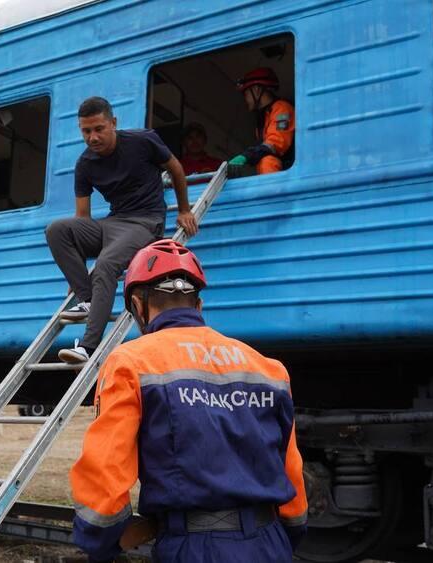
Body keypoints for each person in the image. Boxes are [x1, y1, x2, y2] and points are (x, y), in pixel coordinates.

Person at [69, 239, 308, 562]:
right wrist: (287, 534)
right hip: (270, 541)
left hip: (194, 548)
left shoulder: (131, 362)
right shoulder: (268, 368)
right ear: (198, 306)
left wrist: (98, 540)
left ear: (139, 306)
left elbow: (105, 475)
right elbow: (291, 470)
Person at [46, 96, 198, 364]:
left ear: (113, 123)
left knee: (105, 265)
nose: (93, 137)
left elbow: (175, 169)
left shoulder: (142, 141)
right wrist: (76, 274)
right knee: (57, 230)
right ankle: (89, 299)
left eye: (99, 129)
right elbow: (82, 219)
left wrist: (184, 209)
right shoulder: (85, 164)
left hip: (145, 222)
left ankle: (88, 347)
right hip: (112, 223)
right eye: (86, 131)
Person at [229, 67, 295, 175]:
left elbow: (276, 143)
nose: (245, 99)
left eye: (246, 93)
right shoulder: (263, 117)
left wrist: (247, 155)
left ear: (256, 89)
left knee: (267, 161)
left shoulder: (282, 108)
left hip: (287, 173)